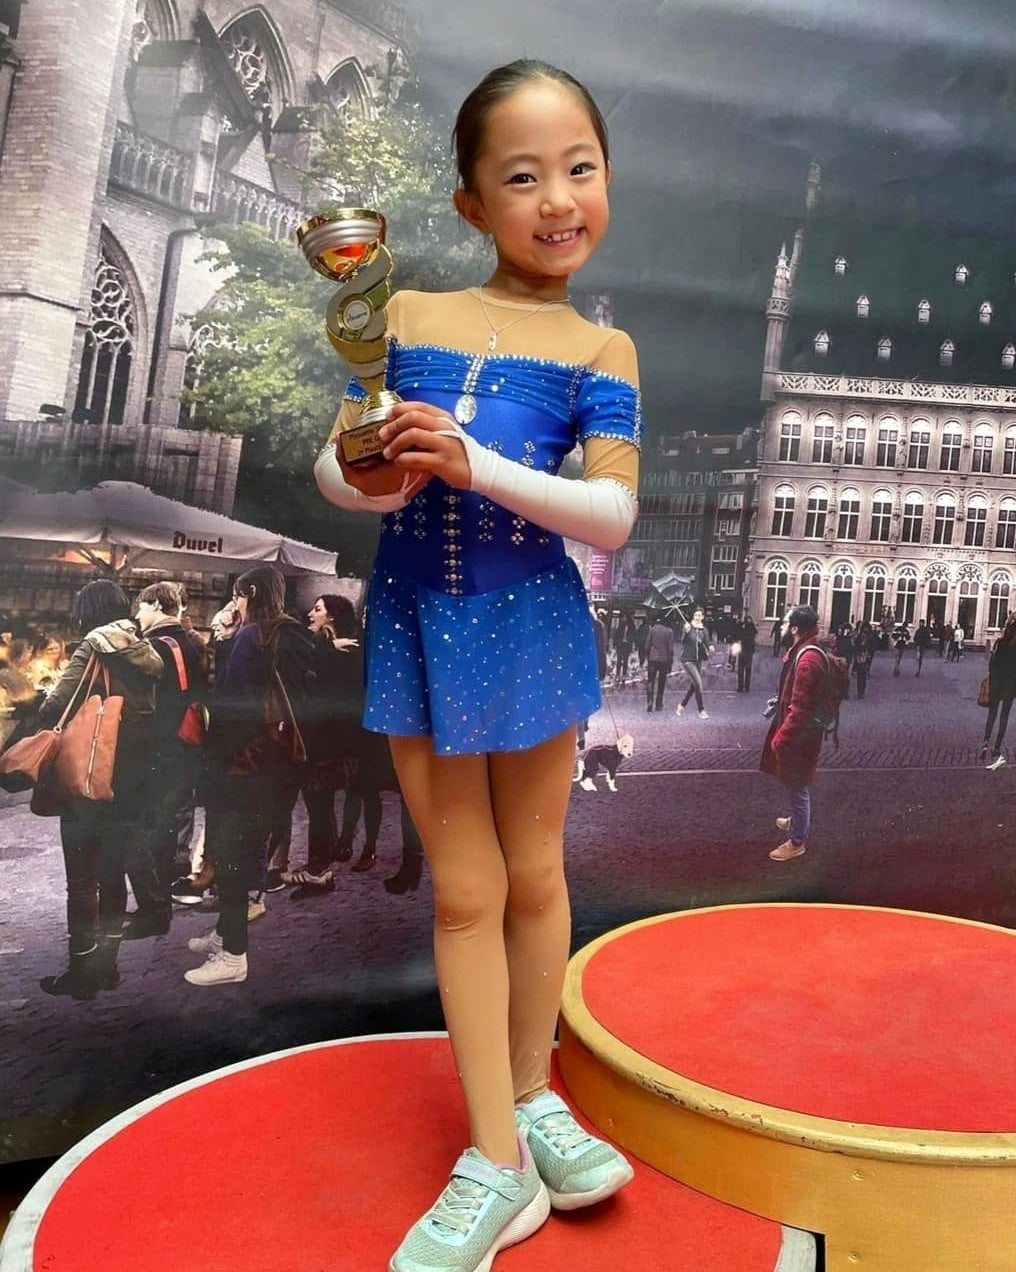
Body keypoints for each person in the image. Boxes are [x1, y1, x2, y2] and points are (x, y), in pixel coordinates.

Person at [313, 58, 637, 1272]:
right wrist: (377, 475)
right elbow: (333, 470)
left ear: (606, 180)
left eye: (578, 169)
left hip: (534, 621)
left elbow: (610, 517)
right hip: (416, 619)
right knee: (464, 891)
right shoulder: (398, 318)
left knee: (537, 875)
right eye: (520, 177)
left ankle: (533, 1098)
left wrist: (471, 463)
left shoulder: (603, 348)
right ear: (469, 203)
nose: (556, 199)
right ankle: (496, 1163)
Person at [184, 566, 313, 986]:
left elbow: (231, 704)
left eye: (238, 596)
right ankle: (225, 933)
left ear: (251, 592)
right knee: (245, 849)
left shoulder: (252, 636)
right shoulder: (292, 634)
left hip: (242, 764)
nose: (235, 604)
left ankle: (233, 955)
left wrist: (214, 758)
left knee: (230, 855)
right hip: (277, 763)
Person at [36, 580, 163, 998]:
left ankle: (81, 972)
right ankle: (107, 968)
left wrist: (45, 703)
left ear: (87, 611)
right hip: (131, 779)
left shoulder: (93, 645)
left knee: (81, 881)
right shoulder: (143, 647)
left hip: (89, 776)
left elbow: (55, 706)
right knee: (111, 875)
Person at [124, 581, 207, 938]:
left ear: (157, 605)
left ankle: (154, 909)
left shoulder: (159, 645)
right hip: (184, 750)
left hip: (161, 749)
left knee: (142, 830)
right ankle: (159, 905)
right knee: (164, 826)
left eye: (142, 607)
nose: (138, 614)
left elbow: (155, 703)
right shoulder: (189, 641)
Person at [760, 605, 826, 862]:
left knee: (797, 784)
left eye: (787, 623)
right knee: (793, 780)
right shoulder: (803, 651)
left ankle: (798, 840)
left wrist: (781, 739)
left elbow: (801, 709)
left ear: (796, 628)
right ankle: (798, 820)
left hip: (799, 734)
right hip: (800, 731)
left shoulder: (807, 660)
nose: (783, 627)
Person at [982, 615, 1016, 771]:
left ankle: (985, 742)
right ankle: (996, 747)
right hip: (1010, 686)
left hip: (997, 683)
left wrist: (993, 676)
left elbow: (992, 664)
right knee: (1004, 717)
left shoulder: (999, 643)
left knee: (992, 714)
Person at [675, 607, 714, 718]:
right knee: (699, 684)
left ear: (703, 617)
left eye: (699, 615)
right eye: (696, 615)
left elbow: (707, 642)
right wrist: (686, 632)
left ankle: (682, 705)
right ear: (693, 616)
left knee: (694, 685)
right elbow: (682, 641)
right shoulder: (688, 627)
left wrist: (710, 647)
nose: (697, 617)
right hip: (688, 660)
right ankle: (701, 710)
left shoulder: (704, 630)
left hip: (698, 660)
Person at [644, 617, 674, 712]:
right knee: (661, 682)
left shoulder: (653, 630)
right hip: (664, 659)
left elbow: (647, 645)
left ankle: (650, 701)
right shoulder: (669, 632)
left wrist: (647, 656)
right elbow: (670, 649)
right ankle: (659, 702)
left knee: (650, 680)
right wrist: (670, 662)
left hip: (652, 658)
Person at [736, 616, 757, 692]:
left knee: (741, 668)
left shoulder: (742, 627)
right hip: (748, 650)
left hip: (743, 650)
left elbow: (737, 634)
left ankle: (741, 687)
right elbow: (755, 633)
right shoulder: (752, 627)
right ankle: (746, 687)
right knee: (747, 669)